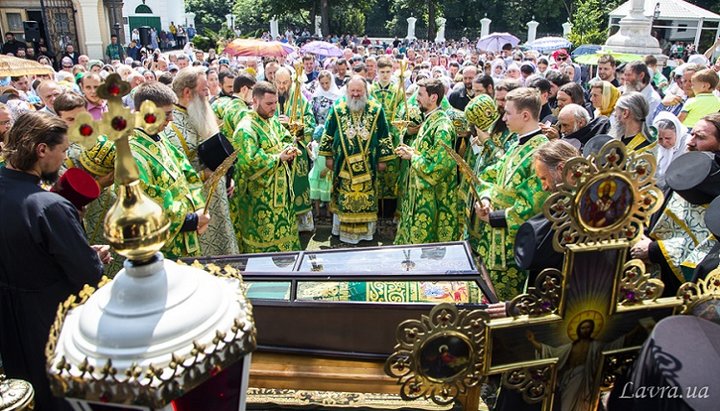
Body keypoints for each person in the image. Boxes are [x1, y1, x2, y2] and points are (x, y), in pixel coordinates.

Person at [0, 112, 104, 411]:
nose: (65, 158)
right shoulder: (50, 206)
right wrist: (92, 257)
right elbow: (87, 274)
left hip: (9, 322)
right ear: (42, 150)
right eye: (63, 150)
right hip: (53, 325)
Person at [473, 87, 549, 301]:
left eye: (508, 113)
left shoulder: (541, 152)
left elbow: (533, 205)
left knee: (508, 302)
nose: (503, 118)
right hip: (494, 236)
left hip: (512, 244)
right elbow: (490, 174)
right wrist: (485, 199)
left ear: (525, 115)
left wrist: (495, 217)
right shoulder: (516, 144)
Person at [128, 82, 209, 259]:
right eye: (166, 114)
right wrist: (191, 220)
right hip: (160, 251)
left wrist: (200, 208)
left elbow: (188, 175)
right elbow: (145, 203)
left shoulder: (160, 140)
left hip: (186, 237)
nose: (171, 119)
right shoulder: (133, 154)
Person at [165, 67, 239, 256]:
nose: (209, 92)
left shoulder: (202, 111)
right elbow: (171, 172)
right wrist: (202, 175)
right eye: (204, 88)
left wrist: (228, 178)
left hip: (217, 196)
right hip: (196, 202)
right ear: (187, 92)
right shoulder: (170, 126)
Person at [319, 75, 394, 244]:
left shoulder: (376, 109)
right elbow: (328, 133)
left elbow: (384, 135)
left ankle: (366, 234)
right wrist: (327, 156)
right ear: (347, 91)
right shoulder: (338, 108)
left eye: (359, 91)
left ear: (365, 91)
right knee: (343, 198)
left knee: (366, 198)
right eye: (352, 91)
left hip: (368, 165)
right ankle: (342, 233)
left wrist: (383, 159)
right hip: (343, 164)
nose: (355, 94)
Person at [230, 82, 301, 253]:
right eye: (269, 104)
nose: (274, 108)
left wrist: (289, 148)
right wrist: (279, 157)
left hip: (281, 195)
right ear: (255, 101)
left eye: (275, 102)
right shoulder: (245, 129)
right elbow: (248, 162)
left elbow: (285, 137)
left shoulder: (271, 121)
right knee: (264, 243)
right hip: (259, 199)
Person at [395, 78, 459, 244]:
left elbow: (439, 165)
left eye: (421, 94)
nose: (416, 99)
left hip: (434, 198)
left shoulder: (442, 126)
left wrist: (412, 156)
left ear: (433, 98)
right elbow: (426, 152)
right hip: (420, 195)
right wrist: (411, 151)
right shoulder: (430, 120)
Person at [274, 66, 317, 232]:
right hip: (278, 150)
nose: (282, 86)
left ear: (290, 81)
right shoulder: (270, 99)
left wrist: (292, 124)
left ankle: (302, 223)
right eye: (279, 82)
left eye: (285, 82)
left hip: (297, 151)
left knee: (299, 185)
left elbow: (311, 124)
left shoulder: (301, 101)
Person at [370, 57, 402, 218]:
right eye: (382, 72)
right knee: (376, 171)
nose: (385, 75)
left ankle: (389, 212)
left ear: (392, 71)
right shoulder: (371, 90)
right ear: (377, 72)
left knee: (391, 173)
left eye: (388, 72)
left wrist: (395, 131)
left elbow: (402, 113)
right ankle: (376, 209)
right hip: (375, 138)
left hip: (393, 139)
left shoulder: (398, 91)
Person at [652, 111, 688, 189]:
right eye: (660, 138)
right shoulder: (654, 146)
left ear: (677, 133)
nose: (664, 142)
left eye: (668, 138)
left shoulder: (687, 146)